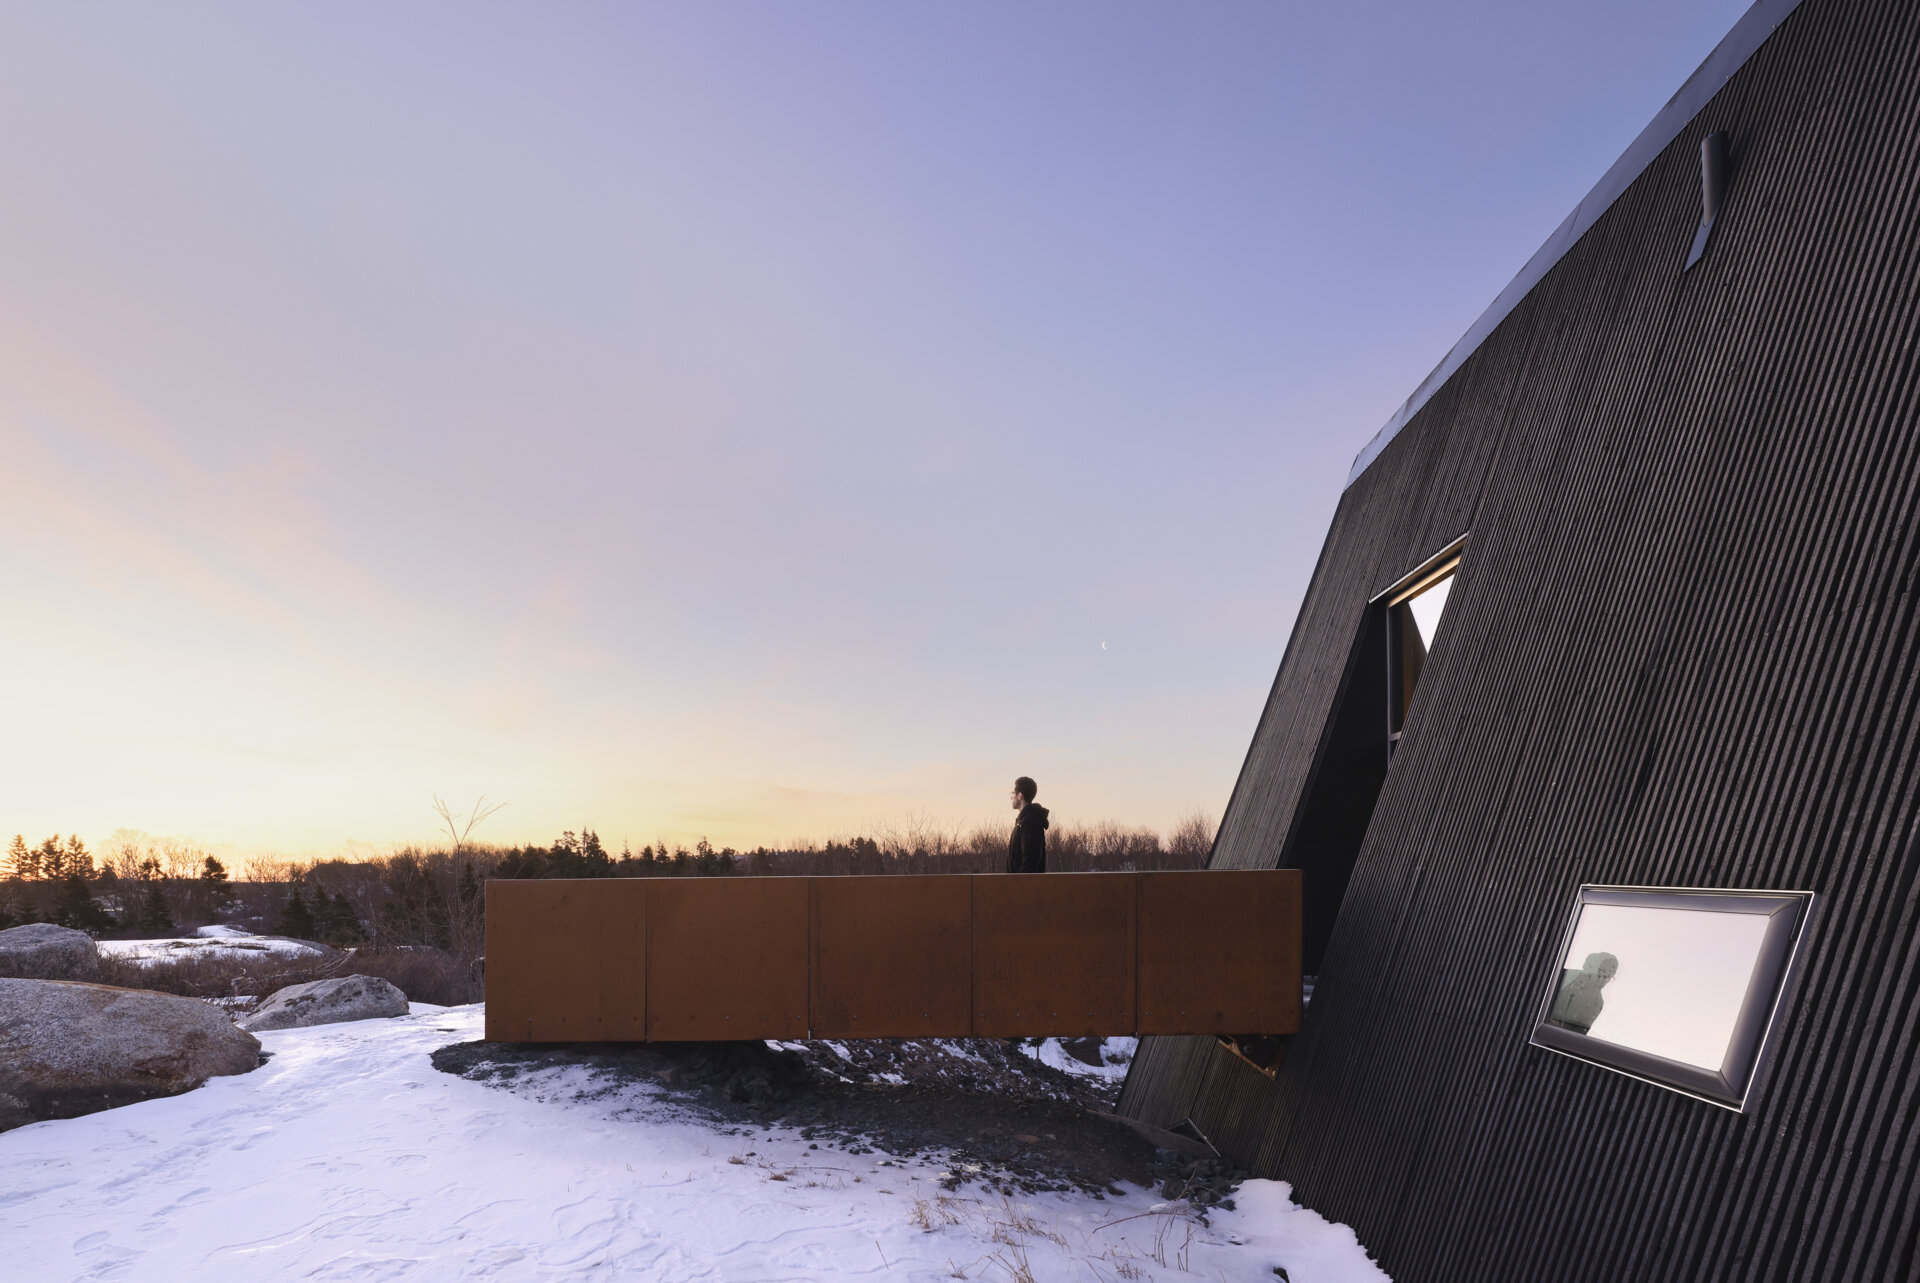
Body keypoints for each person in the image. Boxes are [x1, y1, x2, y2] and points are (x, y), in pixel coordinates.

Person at [1007, 776, 1049, 873]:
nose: (1011, 797)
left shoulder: (1030, 822)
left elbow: (1030, 860)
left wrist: (1019, 884)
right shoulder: (1023, 822)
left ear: (1020, 795)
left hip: (1024, 886)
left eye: (1013, 793)